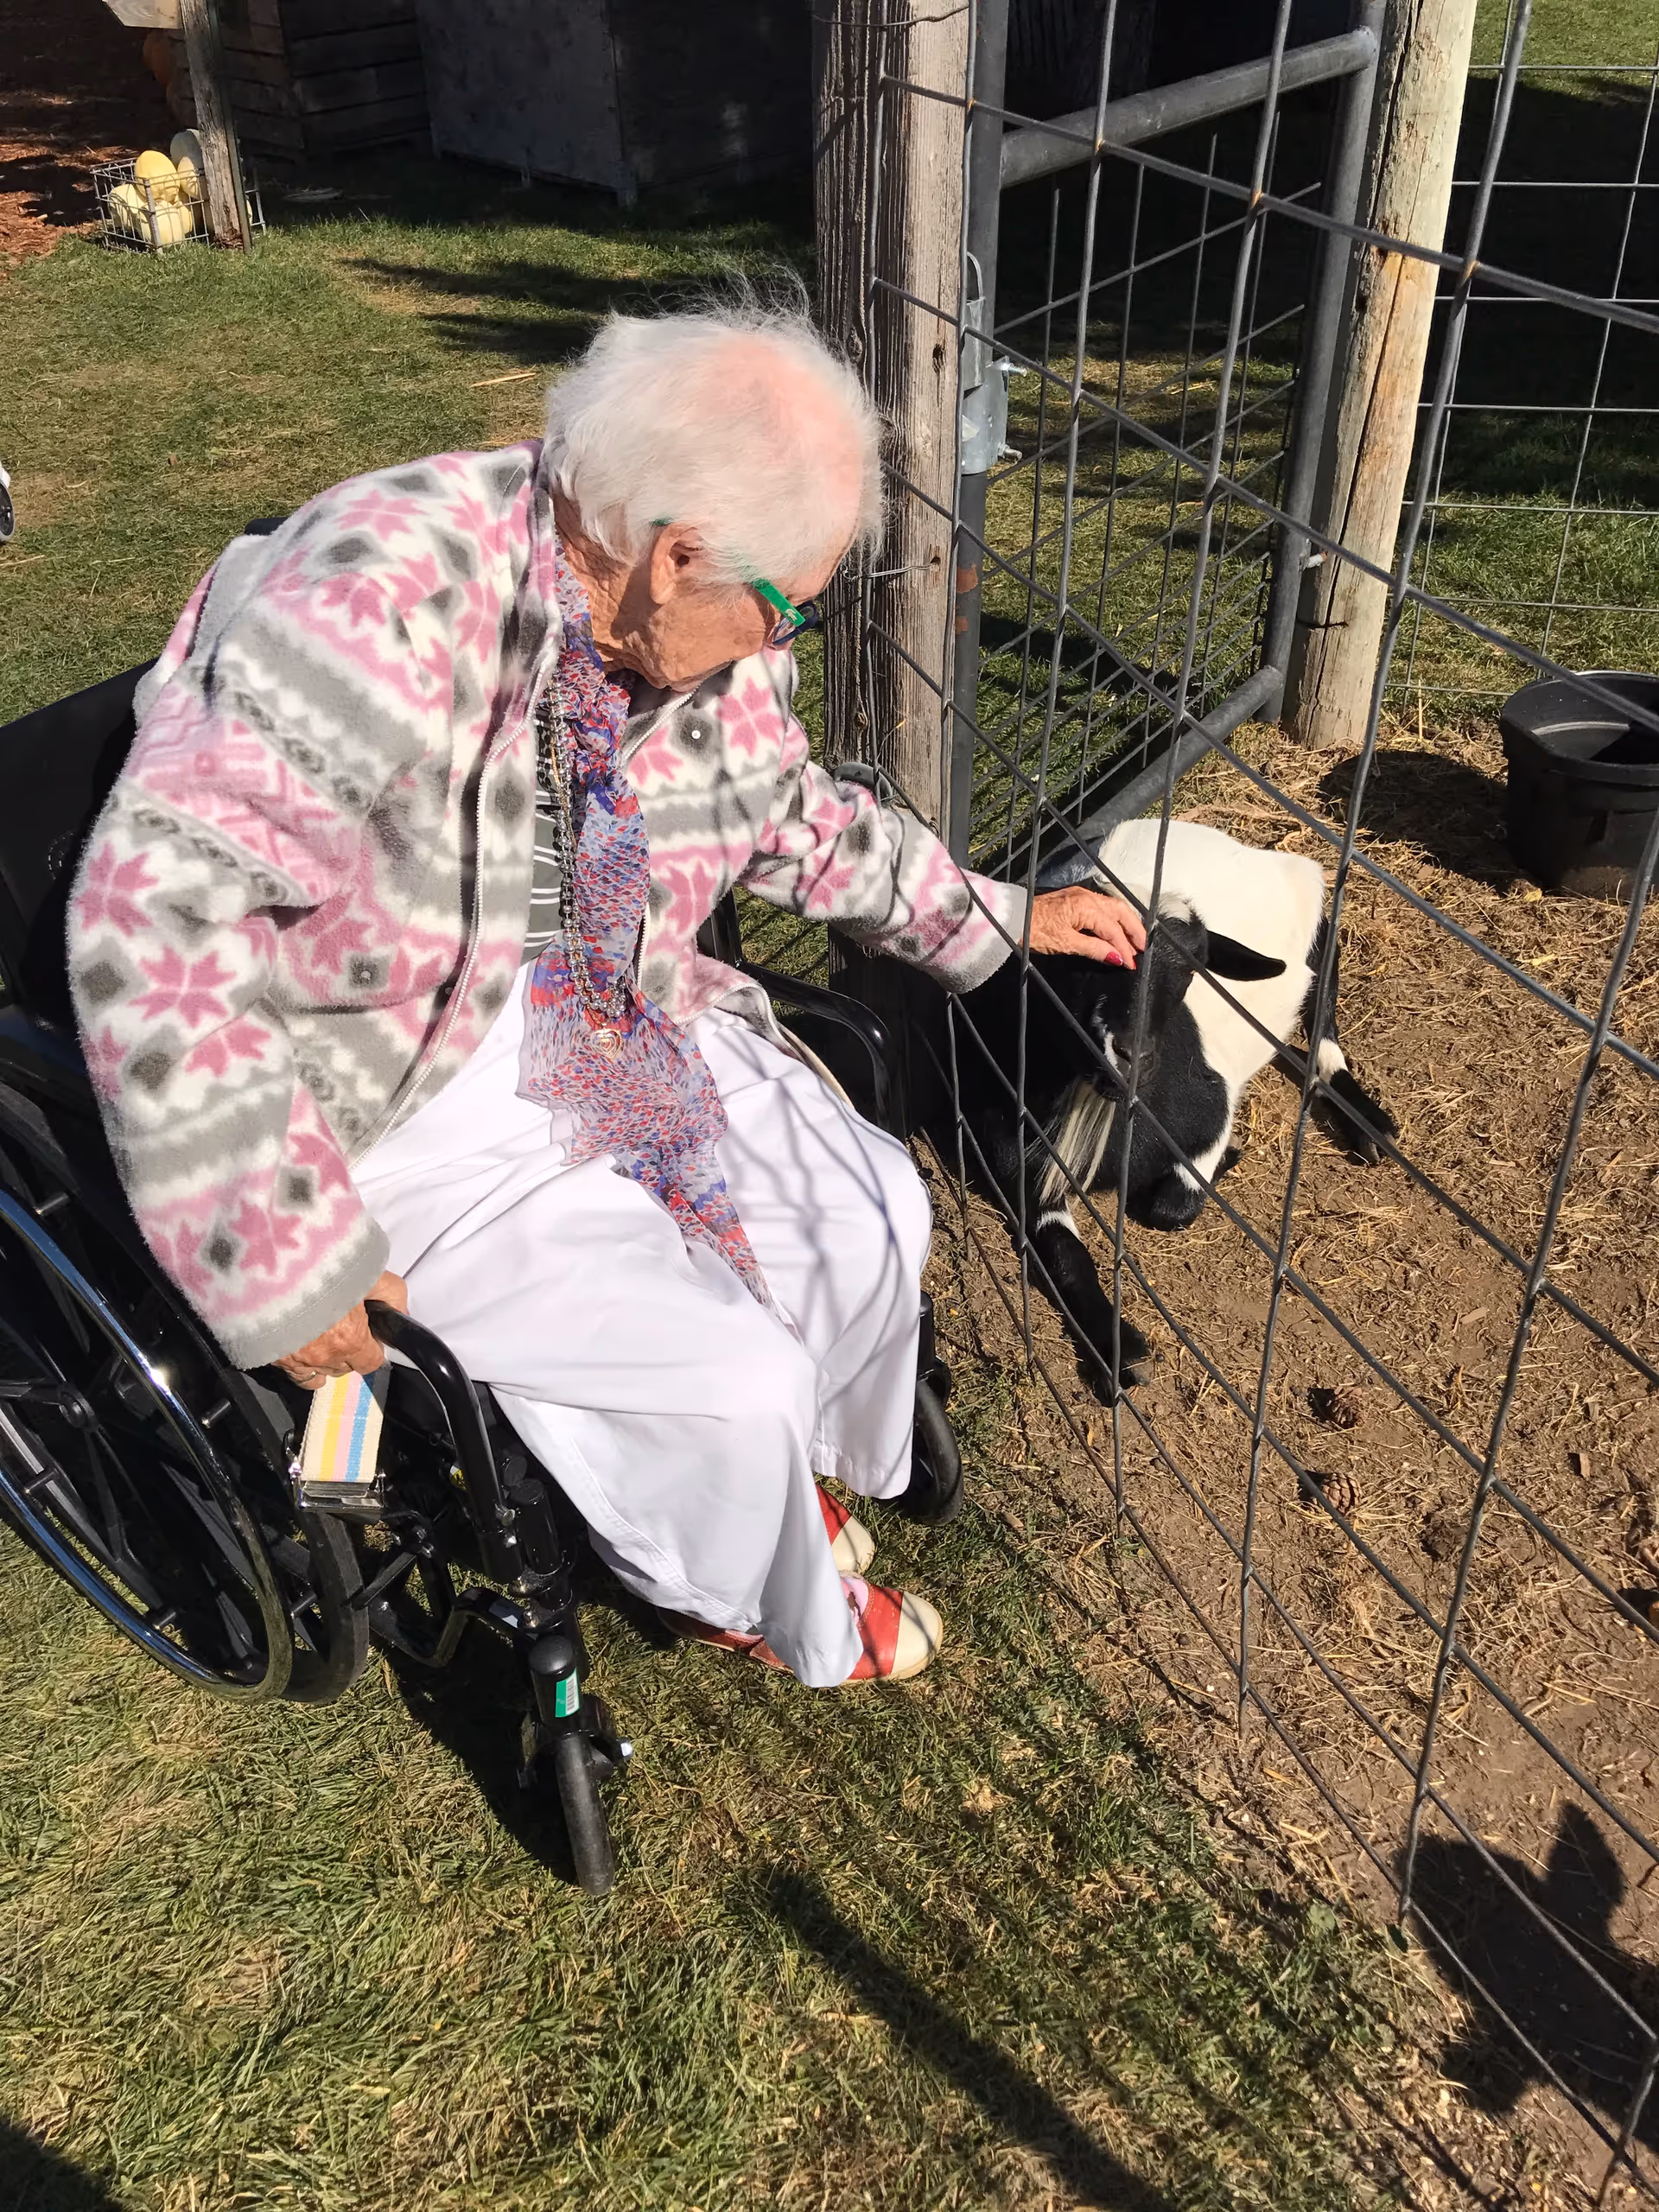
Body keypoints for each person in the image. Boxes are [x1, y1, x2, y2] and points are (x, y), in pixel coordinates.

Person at [67, 298, 1145, 1688]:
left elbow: (789, 811)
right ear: (674, 553)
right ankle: (734, 1582)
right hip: (387, 1081)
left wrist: (993, 921)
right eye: (788, 603)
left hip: (604, 998)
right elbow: (148, 919)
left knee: (876, 1210)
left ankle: (782, 1481)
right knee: (726, 1376)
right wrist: (283, 1260)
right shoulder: (369, 608)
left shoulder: (681, 618)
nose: (785, 639)